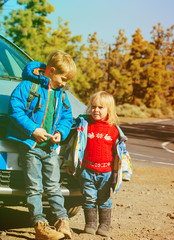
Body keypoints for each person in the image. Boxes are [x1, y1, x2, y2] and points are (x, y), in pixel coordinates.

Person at [7, 50, 76, 240]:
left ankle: (62, 220)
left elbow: (66, 117)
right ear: (51, 71)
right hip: (31, 146)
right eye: (62, 78)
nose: (64, 83)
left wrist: (60, 133)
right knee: (34, 187)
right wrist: (33, 130)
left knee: (54, 186)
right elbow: (15, 110)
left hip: (50, 149)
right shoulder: (28, 86)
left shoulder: (60, 94)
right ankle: (40, 225)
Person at [75, 91, 126, 237]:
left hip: (106, 172)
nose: (96, 110)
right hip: (87, 170)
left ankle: (104, 225)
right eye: (93, 106)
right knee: (89, 198)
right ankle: (90, 224)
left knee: (103, 199)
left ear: (109, 110)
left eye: (100, 107)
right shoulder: (85, 125)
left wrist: (120, 173)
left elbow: (119, 153)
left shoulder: (114, 130)